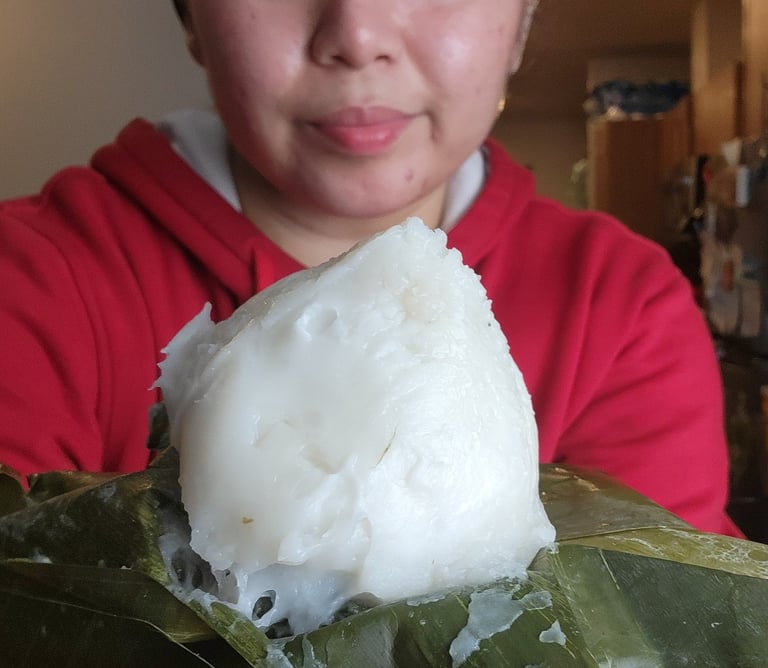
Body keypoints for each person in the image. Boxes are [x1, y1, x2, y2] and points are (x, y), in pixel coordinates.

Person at [0, 0, 741, 537]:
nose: (356, 34)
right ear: (192, 16)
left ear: (521, 22)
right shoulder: (29, 283)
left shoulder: (624, 312)